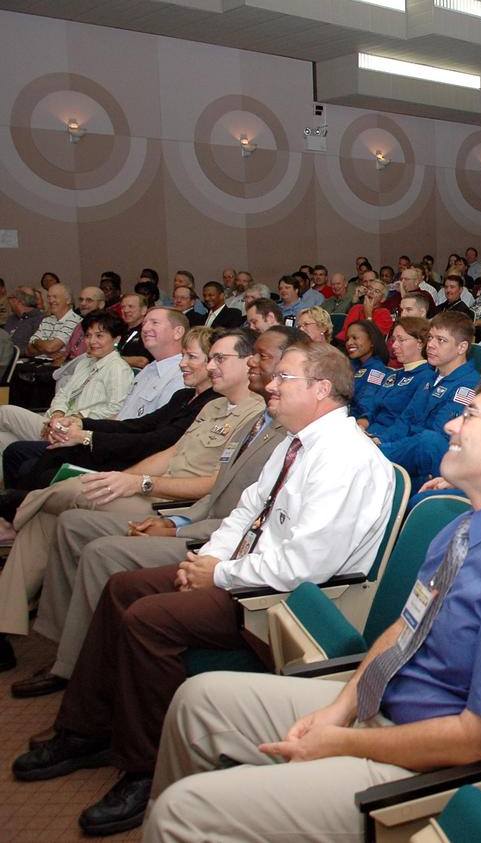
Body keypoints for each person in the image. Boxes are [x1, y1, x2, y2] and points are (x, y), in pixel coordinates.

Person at [142, 373, 481, 840]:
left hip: (429, 767)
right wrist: (342, 707)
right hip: (382, 707)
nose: (450, 426)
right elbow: (405, 629)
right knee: (199, 700)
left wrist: (343, 742)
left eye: (469, 415)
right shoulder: (463, 528)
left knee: (181, 812)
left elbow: (480, 739)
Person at [11, 343, 391, 837]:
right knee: (123, 587)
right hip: (248, 575)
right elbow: (246, 512)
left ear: (321, 389)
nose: (270, 384)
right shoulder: (295, 443)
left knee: (149, 618)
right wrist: (207, 560)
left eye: (284, 377)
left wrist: (219, 575)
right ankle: (85, 730)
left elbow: (303, 566)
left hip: (284, 603)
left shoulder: (345, 458)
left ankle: (144, 769)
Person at [0, 329, 265, 670]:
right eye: (209, 358)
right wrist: (126, 479)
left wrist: (140, 483)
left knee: (76, 490)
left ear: (248, 362)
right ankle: (16, 625)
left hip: (173, 503)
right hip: (151, 489)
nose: (211, 366)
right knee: (52, 516)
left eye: (219, 359)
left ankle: (14, 514)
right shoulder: (213, 405)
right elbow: (170, 453)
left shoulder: (255, 414)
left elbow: (216, 485)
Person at [0, 312, 132, 471]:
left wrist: (74, 419)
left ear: (116, 339)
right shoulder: (86, 361)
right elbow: (64, 393)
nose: (92, 341)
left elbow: (115, 410)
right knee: (3, 440)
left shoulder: (118, 368)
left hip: (77, 431)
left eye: (99, 336)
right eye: (88, 336)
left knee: (5, 412)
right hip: (56, 423)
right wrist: (57, 415)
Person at [377, 312, 481, 487]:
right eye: (431, 337)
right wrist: (380, 440)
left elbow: (439, 434)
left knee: (429, 440)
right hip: (408, 453)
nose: (431, 345)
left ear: (462, 347)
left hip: (436, 461)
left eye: (441, 340)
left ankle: (374, 457)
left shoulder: (469, 386)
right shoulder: (430, 378)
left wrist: (382, 450)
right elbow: (405, 419)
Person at [360, 317, 434, 434]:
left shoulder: (427, 377)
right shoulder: (393, 374)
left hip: (388, 438)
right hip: (370, 431)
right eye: (394, 340)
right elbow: (373, 408)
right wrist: (361, 424)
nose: (394, 345)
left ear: (420, 343)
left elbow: (408, 421)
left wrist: (377, 439)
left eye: (401, 340)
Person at [345, 320, 392, 424]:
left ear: (371, 341)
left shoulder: (377, 370)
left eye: (354, 338)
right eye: (347, 339)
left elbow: (366, 406)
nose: (349, 343)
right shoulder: (350, 364)